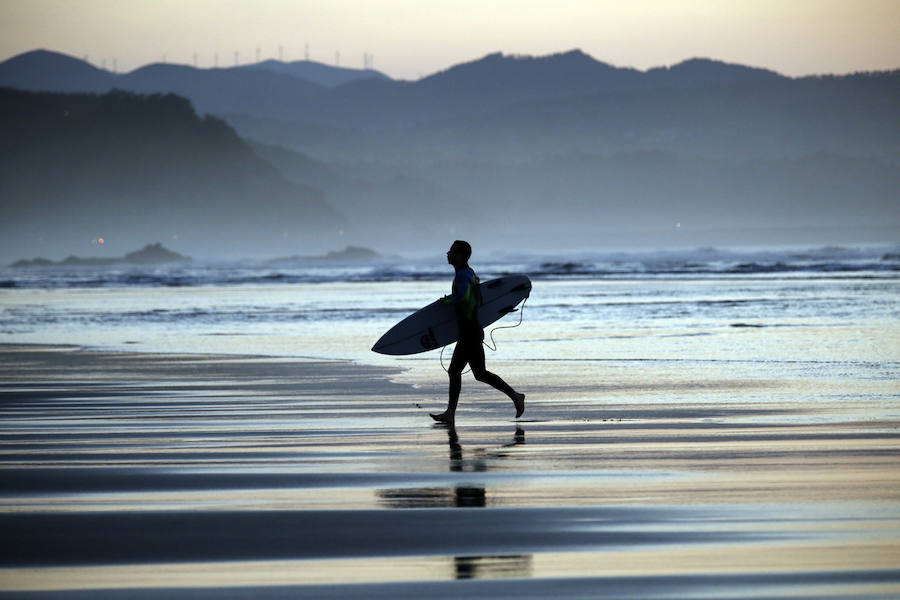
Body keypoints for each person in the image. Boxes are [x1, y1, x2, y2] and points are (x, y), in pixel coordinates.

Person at [430, 240, 525, 424]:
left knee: (455, 371)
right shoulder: (470, 274)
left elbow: (464, 296)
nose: (448, 254)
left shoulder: (462, 276)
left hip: (469, 332)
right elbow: (477, 300)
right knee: (479, 373)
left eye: (451, 251)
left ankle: (450, 413)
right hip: (473, 330)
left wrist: (447, 302)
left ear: (459, 256)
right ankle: (515, 396)